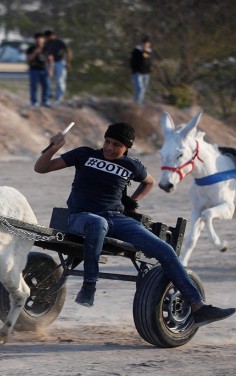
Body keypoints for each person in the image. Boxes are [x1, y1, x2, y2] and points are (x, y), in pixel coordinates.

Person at [34, 122, 235, 327]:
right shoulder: (84, 154)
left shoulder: (131, 166)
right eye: (108, 141)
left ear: (126, 148)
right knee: (98, 223)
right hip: (82, 217)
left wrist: (133, 202)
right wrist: (53, 148)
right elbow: (41, 168)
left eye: (117, 145)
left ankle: (198, 307)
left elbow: (149, 181)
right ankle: (88, 287)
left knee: (164, 249)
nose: (110, 148)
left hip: (117, 219)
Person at [43, 30, 72, 104]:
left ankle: (59, 98)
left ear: (53, 35)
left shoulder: (60, 42)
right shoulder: (47, 43)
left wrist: (68, 62)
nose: (48, 38)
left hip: (60, 62)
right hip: (50, 64)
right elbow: (45, 53)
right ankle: (48, 97)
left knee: (60, 80)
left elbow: (68, 50)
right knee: (48, 81)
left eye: (49, 36)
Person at [26, 32, 53, 107]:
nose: (38, 40)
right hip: (34, 70)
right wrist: (35, 53)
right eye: (37, 39)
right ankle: (34, 102)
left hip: (45, 69)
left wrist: (51, 70)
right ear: (34, 40)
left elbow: (51, 60)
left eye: (40, 39)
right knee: (34, 86)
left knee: (46, 86)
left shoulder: (47, 48)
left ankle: (45, 101)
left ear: (43, 40)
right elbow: (28, 59)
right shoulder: (31, 49)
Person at [129, 35, 153, 105]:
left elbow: (148, 61)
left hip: (146, 73)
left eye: (147, 44)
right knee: (140, 88)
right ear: (141, 44)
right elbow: (133, 62)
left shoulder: (149, 52)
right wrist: (135, 70)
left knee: (143, 89)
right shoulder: (136, 51)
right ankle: (137, 104)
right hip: (137, 73)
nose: (146, 45)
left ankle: (139, 102)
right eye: (144, 44)